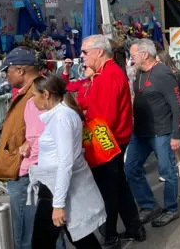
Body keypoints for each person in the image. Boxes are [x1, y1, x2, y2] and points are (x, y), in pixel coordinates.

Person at [0, 48, 66, 249]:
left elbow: (44, 136)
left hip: (28, 173)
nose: (5, 74)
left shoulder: (35, 96)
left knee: (30, 234)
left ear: (20, 70)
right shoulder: (34, 91)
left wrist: (27, 160)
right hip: (30, 171)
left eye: (8, 70)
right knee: (43, 231)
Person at [78, 35, 144, 246]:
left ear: (99, 52)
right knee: (118, 185)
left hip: (106, 139)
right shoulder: (103, 74)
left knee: (108, 190)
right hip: (109, 137)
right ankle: (134, 227)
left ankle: (111, 234)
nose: (82, 57)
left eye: (84, 52)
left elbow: (105, 117)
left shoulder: (108, 75)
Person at [29, 74, 105, 249]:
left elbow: (65, 162)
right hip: (55, 185)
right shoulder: (62, 114)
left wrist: (58, 204)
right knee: (78, 237)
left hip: (55, 188)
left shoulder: (61, 117)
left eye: (34, 95)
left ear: (46, 94)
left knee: (43, 242)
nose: (32, 100)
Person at [124, 39, 180, 227]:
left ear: (144, 54)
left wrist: (176, 135)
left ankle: (171, 209)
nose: (131, 59)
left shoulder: (162, 74)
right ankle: (148, 205)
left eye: (133, 56)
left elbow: (177, 106)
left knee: (167, 171)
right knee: (131, 169)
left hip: (161, 132)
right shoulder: (140, 73)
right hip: (140, 132)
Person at [156, 49, 180, 180]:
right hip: (161, 112)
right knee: (162, 141)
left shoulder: (177, 74)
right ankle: (168, 168)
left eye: (158, 61)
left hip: (174, 110)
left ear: (164, 61)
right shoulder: (154, 75)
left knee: (173, 139)